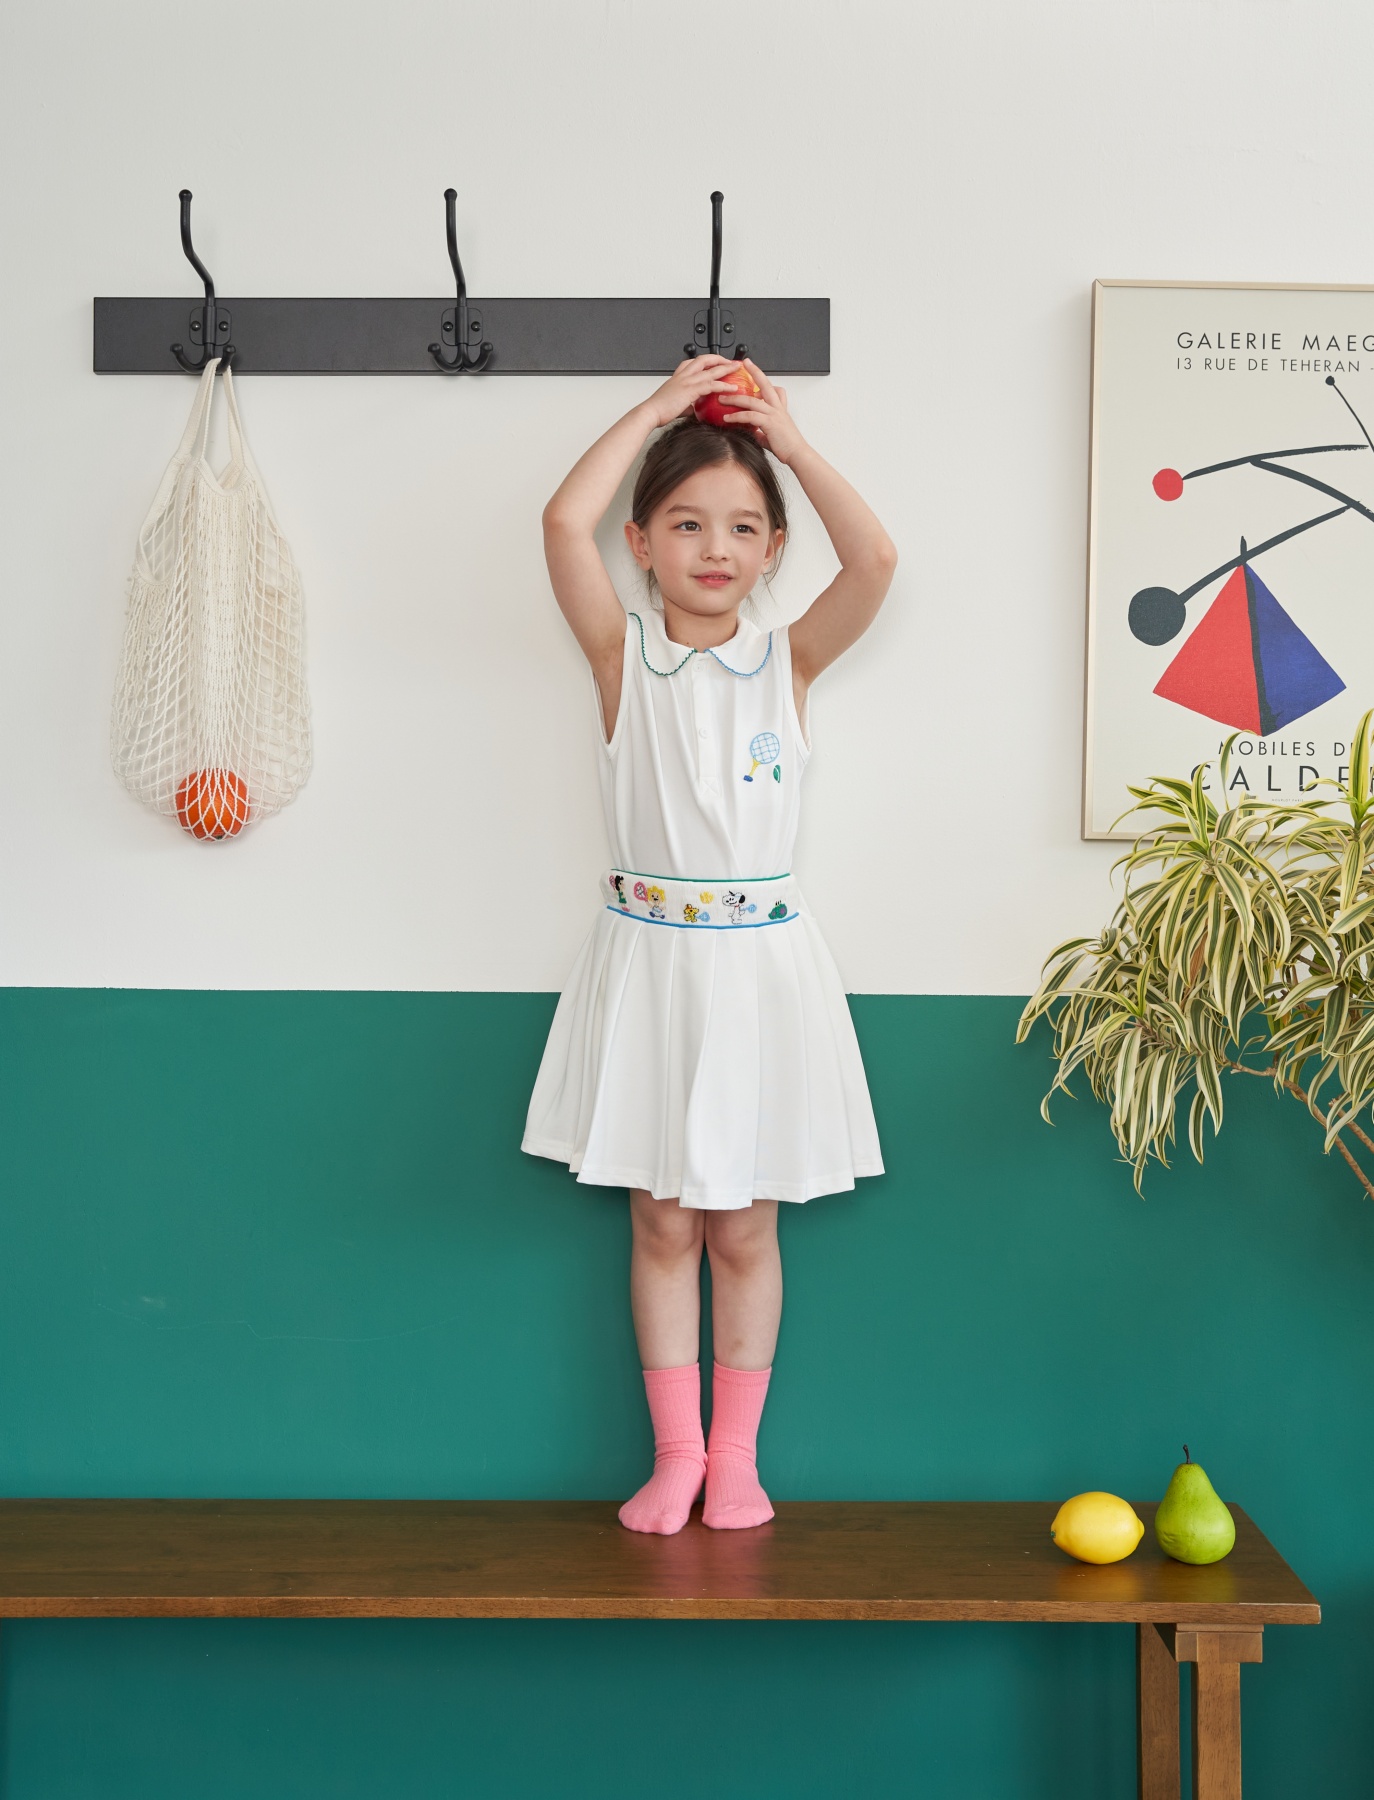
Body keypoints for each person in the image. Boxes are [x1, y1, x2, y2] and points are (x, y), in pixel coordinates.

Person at [523, 355, 897, 1534]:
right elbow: (562, 522)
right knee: (660, 1223)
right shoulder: (620, 656)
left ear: (775, 547)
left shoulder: (787, 662)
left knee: (744, 1226)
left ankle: (737, 1458)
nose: (715, 548)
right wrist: (656, 411)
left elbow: (876, 562)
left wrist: (786, 440)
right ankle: (675, 1455)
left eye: (742, 527)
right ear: (642, 543)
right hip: (648, 968)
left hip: (761, 976)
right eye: (686, 523)